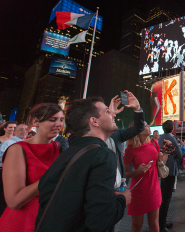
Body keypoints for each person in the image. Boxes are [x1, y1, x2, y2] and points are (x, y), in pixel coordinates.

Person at [35, 97, 133, 232]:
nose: (113, 114)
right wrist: (122, 199)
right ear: (94, 121)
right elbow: (101, 221)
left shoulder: (67, 153)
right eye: (106, 112)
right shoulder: (102, 155)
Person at [0, 104, 63, 231]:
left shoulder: (57, 146)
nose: (59, 124)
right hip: (21, 222)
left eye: (61, 120)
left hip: (48, 220)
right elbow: (13, 201)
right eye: (52, 119)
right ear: (36, 121)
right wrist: (50, 178)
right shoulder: (17, 149)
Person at [124, 121, 169, 232]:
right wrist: (137, 171)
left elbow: (161, 162)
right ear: (138, 131)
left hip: (154, 189)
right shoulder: (130, 149)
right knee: (137, 226)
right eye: (145, 125)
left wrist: (167, 150)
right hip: (138, 191)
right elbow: (125, 173)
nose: (149, 126)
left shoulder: (153, 142)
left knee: (154, 225)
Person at [158, 120, 182, 232]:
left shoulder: (159, 138)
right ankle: (161, 225)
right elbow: (179, 154)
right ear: (172, 128)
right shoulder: (171, 138)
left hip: (162, 169)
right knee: (166, 199)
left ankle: (161, 222)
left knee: (163, 197)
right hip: (170, 170)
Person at [0, 124, 28, 215]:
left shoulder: (28, 142)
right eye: (20, 129)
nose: (24, 131)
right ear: (14, 132)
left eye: (25, 129)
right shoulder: (8, 143)